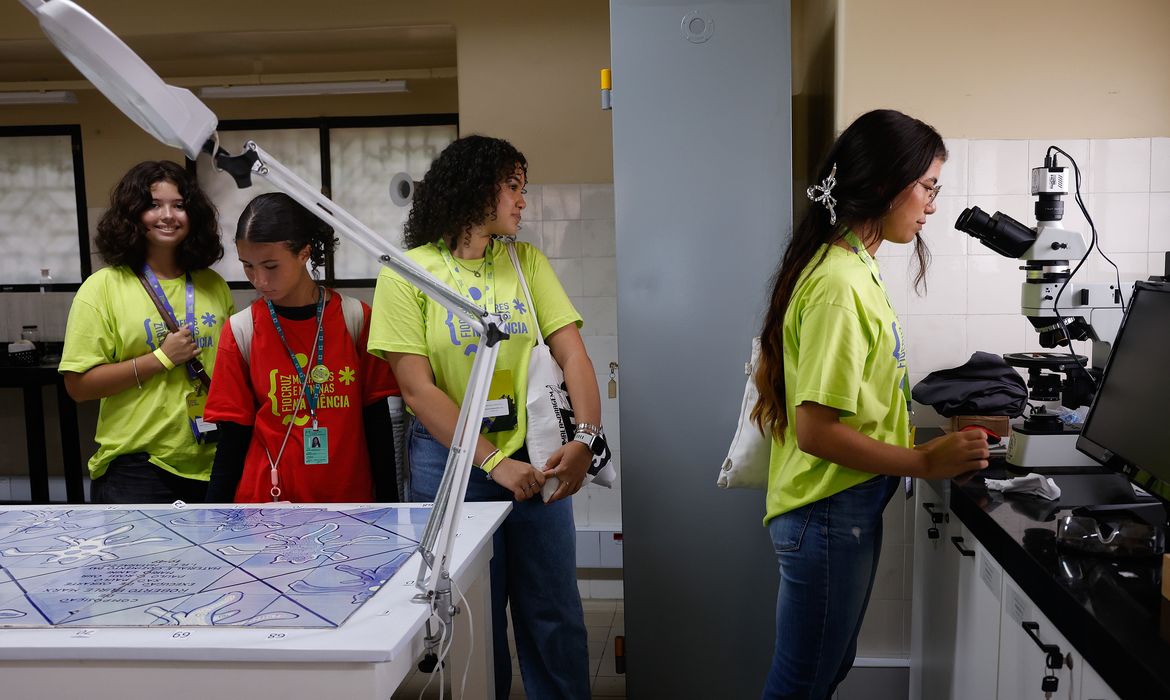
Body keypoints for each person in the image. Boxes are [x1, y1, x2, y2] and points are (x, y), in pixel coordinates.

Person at [750, 109, 991, 700]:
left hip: (840, 506)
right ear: (886, 184)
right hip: (826, 510)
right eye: (928, 187)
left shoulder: (855, 266)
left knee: (826, 671)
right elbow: (815, 431)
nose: (932, 206)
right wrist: (925, 462)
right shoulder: (839, 283)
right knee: (802, 683)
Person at [368, 135, 599, 698]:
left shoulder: (525, 262)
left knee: (554, 616)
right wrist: (493, 463)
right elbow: (417, 389)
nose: (523, 199)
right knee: (473, 622)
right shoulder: (408, 273)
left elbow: (573, 355)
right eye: (513, 186)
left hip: (535, 460)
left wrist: (587, 438)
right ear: (476, 188)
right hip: (451, 468)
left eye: (524, 187)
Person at [203, 192, 400, 504]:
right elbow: (232, 439)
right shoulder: (242, 330)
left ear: (304, 253)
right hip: (267, 508)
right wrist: (214, 517)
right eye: (248, 266)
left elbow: (376, 422)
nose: (259, 280)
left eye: (270, 266)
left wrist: (391, 506)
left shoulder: (356, 318)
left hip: (350, 506)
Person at [60, 160, 234, 504]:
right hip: (137, 467)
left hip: (213, 460)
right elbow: (78, 386)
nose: (168, 215)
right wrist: (161, 358)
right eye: (154, 205)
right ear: (132, 214)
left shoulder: (213, 284)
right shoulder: (102, 287)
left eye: (179, 205)